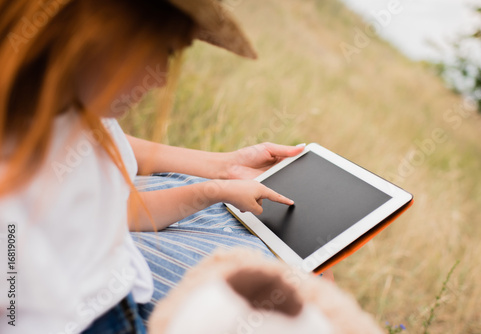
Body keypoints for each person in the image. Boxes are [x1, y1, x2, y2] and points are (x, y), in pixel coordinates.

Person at [0, 0, 305, 333]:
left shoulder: (83, 117)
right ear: (99, 29)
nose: (160, 79)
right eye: (162, 50)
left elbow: (120, 208)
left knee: (301, 266)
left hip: (123, 293)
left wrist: (218, 182)